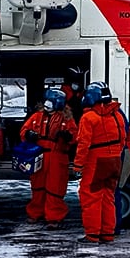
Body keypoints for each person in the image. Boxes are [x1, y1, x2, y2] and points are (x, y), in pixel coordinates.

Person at [72, 81, 126, 244]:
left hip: (96, 161)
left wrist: (78, 165)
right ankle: (107, 233)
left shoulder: (88, 117)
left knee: (91, 198)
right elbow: (123, 138)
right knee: (108, 197)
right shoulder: (117, 115)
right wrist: (115, 153)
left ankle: (92, 235)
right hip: (115, 160)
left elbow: (83, 144)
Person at [20, 88, 77, 229]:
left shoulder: (66, 118)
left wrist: (67, 137)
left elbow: (75, 136)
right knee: (37, 186)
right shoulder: (37, 116)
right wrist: (28, 135)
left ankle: (54, 217)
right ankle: (35, 213)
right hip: (39, 155)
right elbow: (23, 130)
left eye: (50, 101)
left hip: (57, 157)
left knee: (55, 188)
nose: (46, 104)